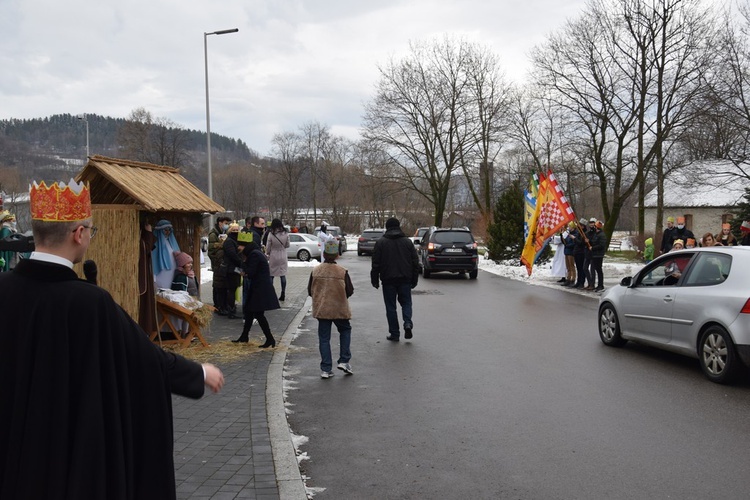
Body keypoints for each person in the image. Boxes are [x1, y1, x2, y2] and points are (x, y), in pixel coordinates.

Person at [0, 179, 224, 499]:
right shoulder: (90, 303)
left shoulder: (3, 290)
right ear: (79, 234)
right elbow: (144, 360)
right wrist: (199, 373)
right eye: (91, 230)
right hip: (68, 462)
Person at [309, 239, 354, 379]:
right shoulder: (342, 271)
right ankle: (344, 360)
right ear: (337, 255)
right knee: (345, 330)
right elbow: (350, 290)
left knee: (324, 338)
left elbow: (310, 291)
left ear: (324, 253)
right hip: (339, 308)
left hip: (322, 309)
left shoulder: (315, 271)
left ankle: (326, 368)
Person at [370, 217, 420, 341]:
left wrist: (374, 279)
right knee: (406, 303)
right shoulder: (407, 242)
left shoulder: (381, 243)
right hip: (405, 279)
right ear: (399, 227)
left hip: (388, 280)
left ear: (387, 228)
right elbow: (415, 262)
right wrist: (414, 278)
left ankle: (395, 333)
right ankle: (407, 323)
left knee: (391, 307)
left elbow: (376, 263)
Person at [232, 239, 280, 347]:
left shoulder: (254, 254)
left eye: (239, 246)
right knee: (249, 311)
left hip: (260, 289)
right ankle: (244, 336)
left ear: (244, 246)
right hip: (259, 287)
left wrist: (242, 264)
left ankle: (270, 339)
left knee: (258, 314)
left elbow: (251, 272)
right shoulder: (255, 252)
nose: (238, 249)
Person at [208, 216, 231, 314]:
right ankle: (218, 306)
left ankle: (222, 305)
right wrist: (222, 245)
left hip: (222, 263)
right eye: (225, 223)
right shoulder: (213, 234)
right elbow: (211, 249)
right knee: (218, 286)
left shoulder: (223, 233)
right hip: (217, 263)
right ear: (220, 223)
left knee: (222, 285)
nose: (227, 225)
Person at [266, 218, 290, 301]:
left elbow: (268, 246)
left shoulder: (271, 233)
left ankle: (270, 293)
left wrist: (268, 253)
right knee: (282, 275)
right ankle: (283, 293)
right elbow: (287, 245)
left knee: (271, 275)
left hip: (274, 255)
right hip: (283, 255)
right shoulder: (286, 233)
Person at [152, 219, 180, 290]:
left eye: (169, 230)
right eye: (165, 230)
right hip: (161, 274)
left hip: (172, 273)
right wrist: (153, 279)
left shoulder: (172, 242)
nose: (167, 232)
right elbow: (153, 262)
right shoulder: (155, 244)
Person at [222, 223, 243, 319]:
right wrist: (241, 263)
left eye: (237, 230)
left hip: (234, 268)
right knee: (231, 290)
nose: (236, 232)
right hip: (231, 269)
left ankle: (231, 308)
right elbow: (232, 255)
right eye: (234, 230)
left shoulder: (234, 241)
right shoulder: (230, 241)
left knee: (233, 289)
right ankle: (230, 310)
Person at [586, 220, 607, 292]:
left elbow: (601, 245)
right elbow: (594, 242)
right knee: (597, 270)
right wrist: (589, 241)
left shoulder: (602, 235)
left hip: (599, 255)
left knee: (599, 270)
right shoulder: (596, 234)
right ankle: (599, 285)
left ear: (596, 227)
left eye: (594, 226)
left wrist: (593, 248)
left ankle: (601, 285)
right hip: (594, 255)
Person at [562, 221, 577, 286]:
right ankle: (568, 278)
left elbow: (573, 243)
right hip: (567, 251)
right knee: (568, 266)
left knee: (571, 266)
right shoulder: (569, 234)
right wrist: (561, 236)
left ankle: (573, 279)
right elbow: (565, 241)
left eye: (570, 226)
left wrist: (567, 245)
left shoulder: (575, 234)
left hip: (571, 252)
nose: (569, 227)